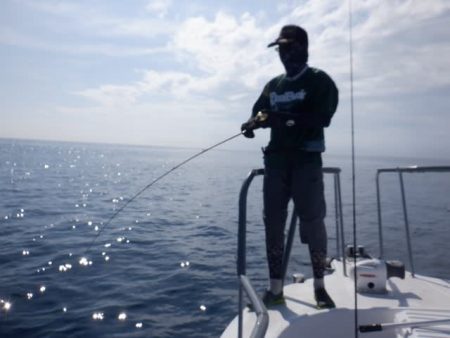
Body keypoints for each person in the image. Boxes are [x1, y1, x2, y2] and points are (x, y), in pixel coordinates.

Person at [241, 25, 338, 309]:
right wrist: (252, 123)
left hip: (306, 163)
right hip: (276, 165)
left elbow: (322, 118)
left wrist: (282, 117)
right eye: (280, 48)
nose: (284, 53)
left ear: (303, 47)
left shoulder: (320, 81)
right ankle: (275, 289)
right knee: (273, 225)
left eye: (288, 46)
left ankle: (320, 287)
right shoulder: (273, 85)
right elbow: (259, 112)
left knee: (313, 224)